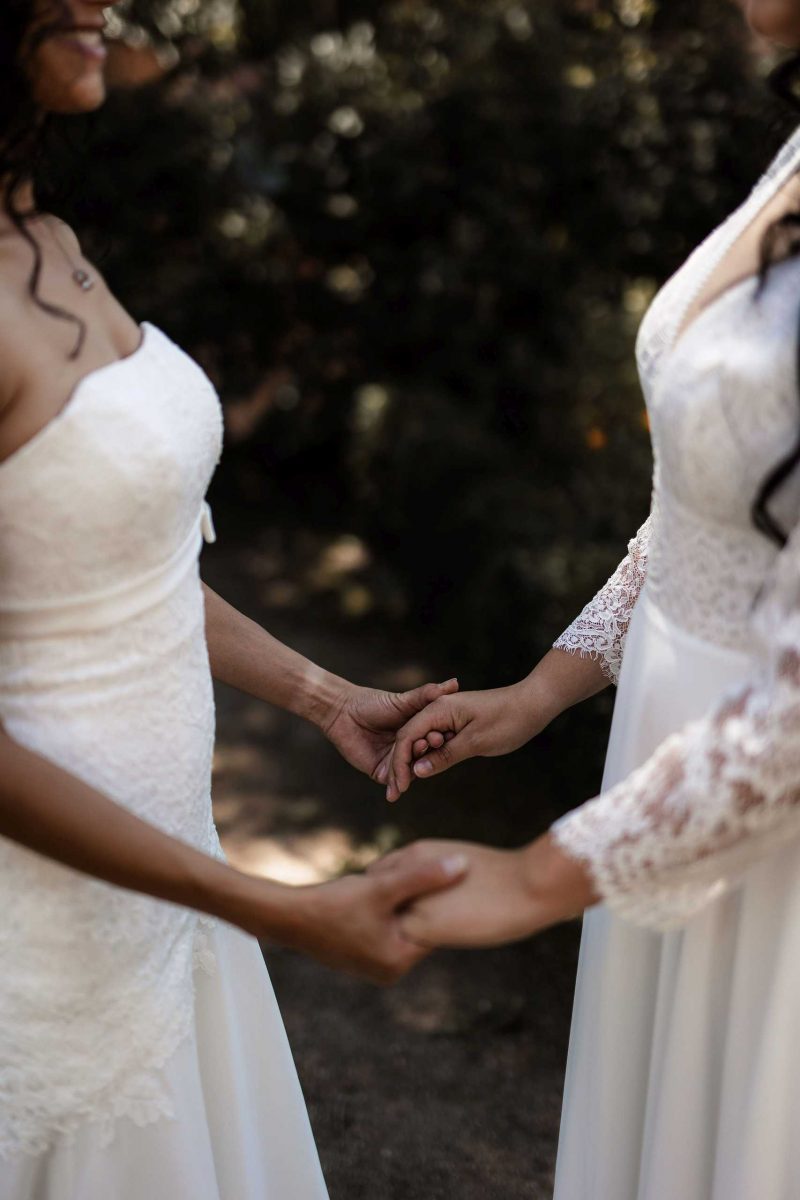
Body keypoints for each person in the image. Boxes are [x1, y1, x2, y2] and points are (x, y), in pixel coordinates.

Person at [0, 3, 468, 1197]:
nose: (105, 4)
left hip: (166, 884)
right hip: (45, 921)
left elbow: (121, 573)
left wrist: (324, 696)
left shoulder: (46, 234)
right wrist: (269, 905)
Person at [380, 3, 800, 1197]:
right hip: (658, 756)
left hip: (761, 824)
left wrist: (530, 880)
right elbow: (704, 515)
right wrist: (544, 690)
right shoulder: (791, 147)